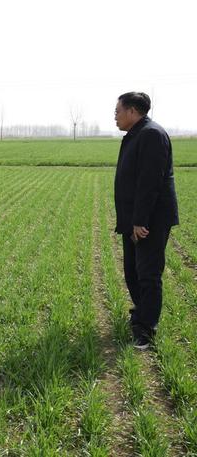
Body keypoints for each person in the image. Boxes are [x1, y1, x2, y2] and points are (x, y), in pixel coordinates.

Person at [114, 92, 179, 349]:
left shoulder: (151, 134)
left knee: (148, 274)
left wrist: (140, 221)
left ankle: (146, 330)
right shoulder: (136, 134)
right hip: (135, 219)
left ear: (132, 111)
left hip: (150, 220)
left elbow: (150, 182)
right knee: (132, 270)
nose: (115, 116)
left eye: (117, 110)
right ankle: (141, 314)